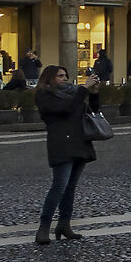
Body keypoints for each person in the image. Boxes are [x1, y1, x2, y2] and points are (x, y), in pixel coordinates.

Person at [34, 64, 102, 246]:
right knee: (59, 186)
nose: (64, 79)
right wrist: (83, 89)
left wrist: (94, 93)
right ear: (49, 78)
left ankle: (64, 225)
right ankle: (43, 228)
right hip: (61, 145)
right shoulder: (44, 96)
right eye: (60, 76)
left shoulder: (73, 93)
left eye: (65, 75)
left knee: (70, 188)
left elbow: (93, 111)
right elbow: (65, 109)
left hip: (79, 143)